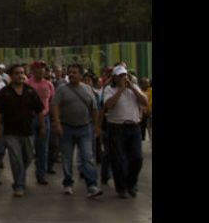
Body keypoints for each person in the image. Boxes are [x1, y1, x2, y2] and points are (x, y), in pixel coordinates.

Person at [51, 64, 103, 198]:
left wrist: (96, 126)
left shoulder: (87, 89)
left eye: (75, 72)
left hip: (85, 128)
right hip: (66, 127)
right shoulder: (62, 89)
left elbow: (94, 108)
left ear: (81, 75)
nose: (72, 75)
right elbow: (55, 106)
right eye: (70, 72)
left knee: (87, 157)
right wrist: (57, 123)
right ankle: (68, 183)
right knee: (67, 158)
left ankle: (92, 185)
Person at [0, 64, 45, 197]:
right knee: (16, 159)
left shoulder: (30, 91)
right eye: (17, 73)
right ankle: (19, 185)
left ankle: (20, 176)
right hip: (10, 132)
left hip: (28, 131)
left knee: (28, 158)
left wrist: (43, 127)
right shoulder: (4, 92)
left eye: (22, 73)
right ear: (11, 76)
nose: (20, 75)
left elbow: (39, 111)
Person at [102, 65, 148, 198]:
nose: (124, 78)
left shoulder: (134, 88)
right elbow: (108, 105)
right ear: (115, 78)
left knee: (137, 158)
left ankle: (131, 184)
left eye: (125, 75)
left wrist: (132, 88)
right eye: (121, 76)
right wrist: (121, 90)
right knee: (118, 160)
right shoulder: (109, 90)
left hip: (133, 127)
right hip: (116, 127)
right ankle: (121, 188)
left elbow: (145, 102)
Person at [26, 60, 55, 185]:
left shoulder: (49, 84)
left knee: (43, 149)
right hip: (30, 119)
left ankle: (41, 175)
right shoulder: (27, 84)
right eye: (38, 68)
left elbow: (52, 102)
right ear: (32, 70)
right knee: (28, 149)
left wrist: (54, 120)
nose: (41, 70)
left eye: (43, 68)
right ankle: (22, 175)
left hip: (45, 118)